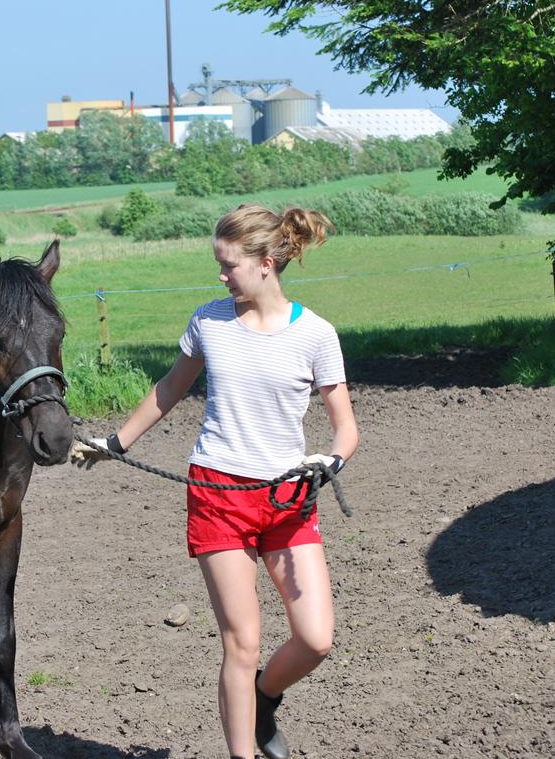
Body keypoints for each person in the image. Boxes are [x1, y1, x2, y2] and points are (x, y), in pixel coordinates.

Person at [71, 204, 359, 759]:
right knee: (241, 642)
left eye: (229, 265)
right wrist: (116, 443)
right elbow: (169, 389)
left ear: (267, 263)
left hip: (288, 497)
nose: (221, 275)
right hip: (218, 494)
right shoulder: (209, 322)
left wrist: (330, 461)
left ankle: (263, 699)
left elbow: (346, 427)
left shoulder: (317, 335)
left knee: (316, 638)